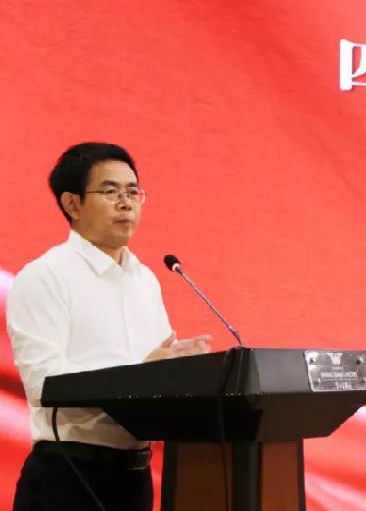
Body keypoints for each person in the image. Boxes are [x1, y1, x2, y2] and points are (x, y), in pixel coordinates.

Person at [6, 142, 212, 510]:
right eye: (110, 192)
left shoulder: (145, 280)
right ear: (73, 204)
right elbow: (42, 383)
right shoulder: (45, 276)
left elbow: (155, 367)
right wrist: (139, 375)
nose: (125, 203)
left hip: (134, 478)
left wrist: (181, 370)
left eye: (133, 192)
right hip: (68, 476)